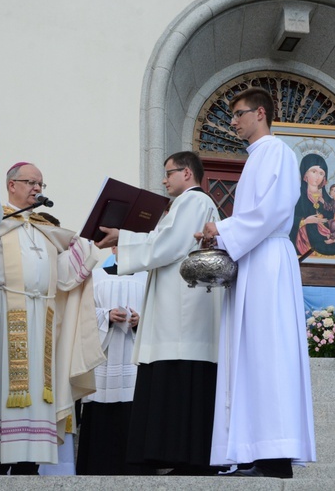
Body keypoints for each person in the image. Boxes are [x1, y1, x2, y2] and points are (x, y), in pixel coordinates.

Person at [197, 87, 316, 478]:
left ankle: (275, 455)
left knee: (269, 354)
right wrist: (224, 236)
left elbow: (273, 210)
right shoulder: (256, 158)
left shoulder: (277, 151)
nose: (232, 122)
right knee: (249, 356)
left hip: (268, 261)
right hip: (252, 259)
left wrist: (222, 227)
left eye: (239, 114)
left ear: (260, 113)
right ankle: (250, 449)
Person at [96, 151, 222, 476]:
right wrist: (124, 240)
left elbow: (169, 245)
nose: (164, 180)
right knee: (173, 375)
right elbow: (161, 240)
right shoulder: (181, 206)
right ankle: (177, 455)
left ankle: (188, 457)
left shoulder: (194, 202)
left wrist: (123, 239)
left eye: (169, 173)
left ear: (187, 174)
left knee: (182, 374)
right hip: (174, 304)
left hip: (185, 308)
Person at [0, 161, 104, 475]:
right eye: (31, 182)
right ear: (12, 185)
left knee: (37, 392)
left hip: (43, 318)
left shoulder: (47, 229)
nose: (37, 189)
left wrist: (89, 246)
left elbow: (63, 278)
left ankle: (28, 463)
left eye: (41, 185)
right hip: (2, 314)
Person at [76, 247, 147, 475]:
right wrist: (105, 316)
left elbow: (159, 315)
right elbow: (81, 314)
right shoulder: (96, 276)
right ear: (114, 247)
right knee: (101, 419)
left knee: (134, 412)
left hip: (134, 359)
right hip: (103, 361)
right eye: (119, 243)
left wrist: (140, 321)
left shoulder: (147, 277)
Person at [289, 153, 335, 257]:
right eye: (314, 171)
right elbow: (286, 220)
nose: (317, 176)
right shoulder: (296, 198)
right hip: (307, 245)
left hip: (333, 244)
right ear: (305, 174)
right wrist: (305, 221)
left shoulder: (330, 200)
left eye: (321, 173)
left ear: (324, 178)